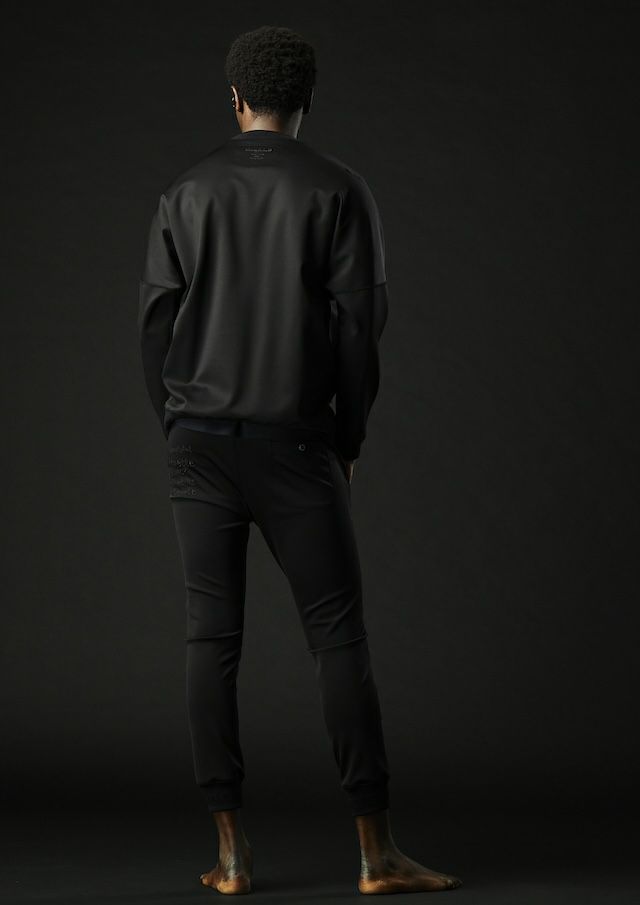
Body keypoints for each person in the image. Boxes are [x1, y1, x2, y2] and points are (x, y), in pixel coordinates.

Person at [138, 24, 462, 896]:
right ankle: (375, 853)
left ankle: (231, 855)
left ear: (236, 98)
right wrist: (346, 439)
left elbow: (155, 328)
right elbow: (361, 331)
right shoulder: (339, 189)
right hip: (298, 445)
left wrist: (179, 425)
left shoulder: (185, 191)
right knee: (338, 639)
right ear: (306, 100)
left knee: (211, 639)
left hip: (198, 445)